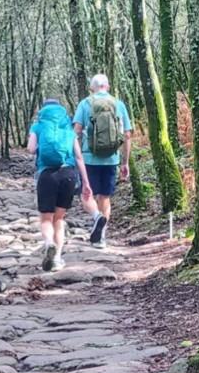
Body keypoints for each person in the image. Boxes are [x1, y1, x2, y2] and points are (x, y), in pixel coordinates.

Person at [27, 96, 93, 271]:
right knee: (59, 218)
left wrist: (43, 147)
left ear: (43, 110)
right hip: (68, 174)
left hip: (47, 174)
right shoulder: (68, 129)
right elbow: (79, 157)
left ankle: (48, 243)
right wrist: (86, 183)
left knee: (46, 218)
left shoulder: (38, 125)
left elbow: (31, 149)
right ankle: (56, 258)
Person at [73, 72, 132, 246]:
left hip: (89, 158)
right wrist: (125, 162)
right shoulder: (118, 104)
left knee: (87, 194)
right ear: (108, 87)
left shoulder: (85, 104)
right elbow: (127, 135)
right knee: (104, 197)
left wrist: (74, 157)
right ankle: (102, 238)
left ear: (92, 88)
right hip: (111, 158)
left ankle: (96, 217)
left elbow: (76, 132)